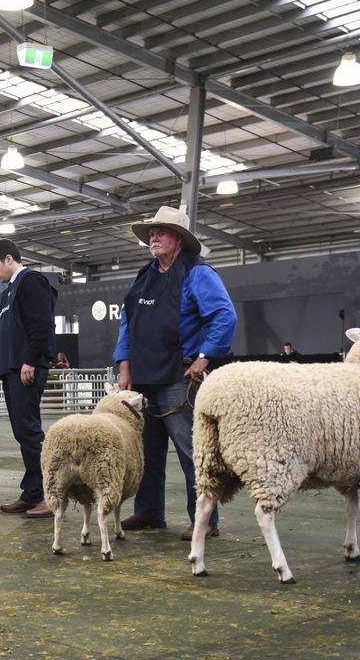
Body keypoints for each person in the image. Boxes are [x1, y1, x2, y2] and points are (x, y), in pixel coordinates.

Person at [114, 206, 236, 541]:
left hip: (178, 378)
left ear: (179, 239)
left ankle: (205, 520)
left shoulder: (198, 273)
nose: (153, 237)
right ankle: (149, 511)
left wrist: (204, 357)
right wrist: (125, 364)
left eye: (161, 232)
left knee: (190, 452)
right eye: (151, 232)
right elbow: (127, 323)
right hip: (143, 378)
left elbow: (224, 316)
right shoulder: (143, 277)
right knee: (146, 451)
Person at [0, 238, 58, 519]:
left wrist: (31, 359)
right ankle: (31, 493)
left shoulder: (31, 281)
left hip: (25, 368)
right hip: (11, 368)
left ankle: (49, 495)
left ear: (8, 259)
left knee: (30, 432)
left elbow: (42, 324)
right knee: (22, 433)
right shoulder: (9, 292)